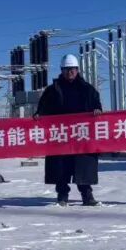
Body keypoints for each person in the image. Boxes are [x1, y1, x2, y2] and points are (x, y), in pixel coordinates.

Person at [34, 54, 103, 206]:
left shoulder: (87, 89)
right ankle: (62, 196)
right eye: (66, 69)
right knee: (61, 167)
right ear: (62, 70)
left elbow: (97, 106)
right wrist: (39, 114)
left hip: (82, 136)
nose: (69, 72)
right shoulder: (52, 90)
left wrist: (97, 110)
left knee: (83, 167)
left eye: (72, 69)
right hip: (61, 137)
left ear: (77, 70)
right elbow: (43, 108)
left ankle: (87, 195)